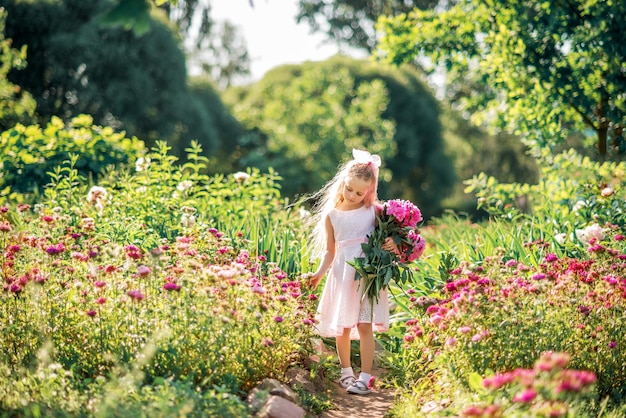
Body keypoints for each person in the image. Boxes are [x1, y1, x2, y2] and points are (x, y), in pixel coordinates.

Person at [305, 149, 396, 395]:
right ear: (342, 183)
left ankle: (365, 378)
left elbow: (391, 236)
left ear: (369, 191)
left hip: (366, 276)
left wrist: (393, 243)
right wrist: (318, 274)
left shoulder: (374, 212)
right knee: (343, 327)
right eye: (349, 189)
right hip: (342, 275)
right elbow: (330, 252)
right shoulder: (331, 215)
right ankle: (346, 372)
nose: (353, 195)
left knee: (364, 325)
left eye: (360, 192)